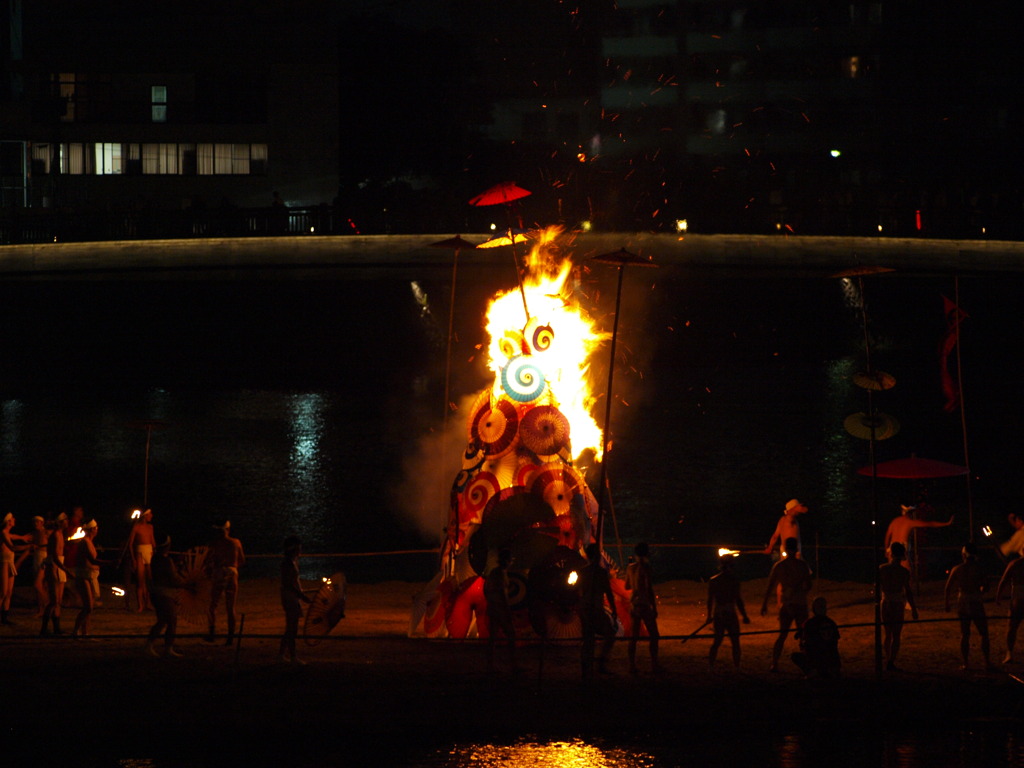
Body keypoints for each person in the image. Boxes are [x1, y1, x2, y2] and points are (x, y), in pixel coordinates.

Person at [761, 536, 813, 672]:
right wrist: (799, 590)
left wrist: (765, 604)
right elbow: (809, 585)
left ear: (785, 549)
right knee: (803, 635)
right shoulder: (802, 566)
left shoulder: (779, 566)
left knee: (782, 635)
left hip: (787, 605)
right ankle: (806, 664)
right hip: (800, 604)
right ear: (796, 549)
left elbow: (770, 586)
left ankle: (774, 663)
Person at [944, 541, 994, 671]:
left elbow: (948, 587)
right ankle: (987, 662)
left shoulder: (957, 569)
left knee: (965, 633)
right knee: (983, 632)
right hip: (975, 599)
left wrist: (947, 603)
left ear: (964, 555)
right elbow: (987, 586)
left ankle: (966, 663)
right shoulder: (979, 568)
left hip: (963, 600)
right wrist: (981, 590)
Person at [578, 542, 619, 678]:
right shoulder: (601, 573)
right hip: (594, 607)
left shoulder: (583, 572)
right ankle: (600, 663)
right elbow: (608, 592)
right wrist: (613, 609)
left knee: (588, 637)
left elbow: (579, 591)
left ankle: (586, 667)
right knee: (609, 634)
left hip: (585, 607)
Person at [884, 504, 953, 580]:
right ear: (910, 513)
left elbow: (887, 536)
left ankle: (892, 590)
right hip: (901, 549)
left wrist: (886, 550)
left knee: (892, 572)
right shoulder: (910, 522)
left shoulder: (894, 521)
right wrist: (946, 523)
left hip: (891, 549)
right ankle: (904, 590)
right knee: (906, 572)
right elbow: (930, 524)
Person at [879, 541, 919, 671]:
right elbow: (908, 591)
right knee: (896, 635)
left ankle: (888, 658)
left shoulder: (882, 569)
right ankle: (891, 660)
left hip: (885, 602)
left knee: (888, 633)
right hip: (897, 604)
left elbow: (877, 587)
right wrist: (913, 609)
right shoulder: (904, 572)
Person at [706, 554, 750, 670]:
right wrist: (744, 615)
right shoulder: (727, 581)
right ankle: (716, 666)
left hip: (723, 612)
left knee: (728, 641)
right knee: (723, 641)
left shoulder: (717, 580)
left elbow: (737, 599)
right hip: (724, 613)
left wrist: (709, 615)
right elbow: (711, 599)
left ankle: (734, 666)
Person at [205, 519, 246, 644]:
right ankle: (230, 637)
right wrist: (232, 567)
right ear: (228, 529)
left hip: (219, 572)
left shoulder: (214, 544)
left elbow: (208, 561)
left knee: (213, 605)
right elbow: (242, 560)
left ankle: (212, 633)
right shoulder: (236, 542)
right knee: (230, 606)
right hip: (232, 572)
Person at [145, 535, 186, 657]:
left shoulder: (155, 559)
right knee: (172, 621)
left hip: (156, 593)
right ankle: (168, 648)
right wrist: (186, 584)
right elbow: (173, 579)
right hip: (165, 594)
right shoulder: (166, 561)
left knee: (162, 621)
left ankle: (149, 645)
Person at [625, 541, 661, 675]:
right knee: (654, 635)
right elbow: (648, 588)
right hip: (644, 604)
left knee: (633, 637)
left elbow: (627, 586)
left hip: (634, 604)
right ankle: (654, 664)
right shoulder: (646, 567)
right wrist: (654, 607)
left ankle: (632, 665)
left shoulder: (630, 568)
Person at [483, 547, 518, 673]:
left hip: (492, 607)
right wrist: (507, 610)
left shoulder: (493, 572)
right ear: (507, 561)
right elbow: (503, 594)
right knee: (511, 635)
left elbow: (485, 589)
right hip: (500, 609)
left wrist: (490, 602)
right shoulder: (501, 574)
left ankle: (490, 664)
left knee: (492, 637)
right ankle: (513, 664)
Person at [279, 535, 312, 664]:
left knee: (291, 628)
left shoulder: (291, 562)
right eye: (299, 548)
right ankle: (292, 657)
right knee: (292, 628)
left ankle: (281, 655)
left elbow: (292, 583)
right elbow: (289, 584)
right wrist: (301, 596)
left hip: (291, 595)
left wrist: (300, 594)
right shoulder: (288, 563)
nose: (300, 551)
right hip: (290, 597)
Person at [791, 596, 841, 678]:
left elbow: (807, 643)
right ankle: (830, 670)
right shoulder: (831, 622)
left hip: (818, 660)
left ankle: (812, 671)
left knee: (795, 656)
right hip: (832, 661)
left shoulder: (810, 623)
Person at [71, 520, 103, 639]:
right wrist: (110, 563)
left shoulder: (90, 542)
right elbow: (92, 560)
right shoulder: (84, 542)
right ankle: (75, 631)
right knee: (88, 606)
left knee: (89, 608)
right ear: (91, 530)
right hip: (83, 575)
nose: (97, 529)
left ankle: (86, 632)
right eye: (95, 528)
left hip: (90, 575)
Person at [40, 513, 70, 636]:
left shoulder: (61, 535)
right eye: (66, 520)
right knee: (53, 600)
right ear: (61, 522)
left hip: (59, 567)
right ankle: (43, 629)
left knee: (58, 601)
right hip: (53, 568)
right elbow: (55, 557)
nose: (67, 522)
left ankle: (56, 628)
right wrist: (66, 570)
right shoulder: (55, 536)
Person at [1, 512, 31, 625]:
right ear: (8, 521)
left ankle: (4, 618)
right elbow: (12, 547)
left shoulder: (8, 534)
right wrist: (27, 546)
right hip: (4, 563)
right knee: (3, 593)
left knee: (9, 593)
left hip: (10, 563)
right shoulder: (3, 533)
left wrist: (23, 537)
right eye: (12, 519)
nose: (14, 520)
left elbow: (14, 536)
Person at [995, 551, 1024, 664]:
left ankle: (1009, 653)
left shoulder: (1014, 564)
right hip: (1018, 596)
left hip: (1018, 598)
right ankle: (1009, 654)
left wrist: (998, 596)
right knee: (1012, 627)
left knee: (1012, 626)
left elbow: (1004, 580)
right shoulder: (1014, 564)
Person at [126, 508, 156, 612]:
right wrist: (133, 558)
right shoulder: (136, 527)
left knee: (149, 581)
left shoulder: (150, 527)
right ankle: (140, 605)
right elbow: (130, 544)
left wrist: (156, 553)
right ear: (145, 516)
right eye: (150, 514)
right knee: (140, 582)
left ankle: (148, 604)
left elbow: (152, 541)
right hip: (139, 553)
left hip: (149, 552)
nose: (151, 516)